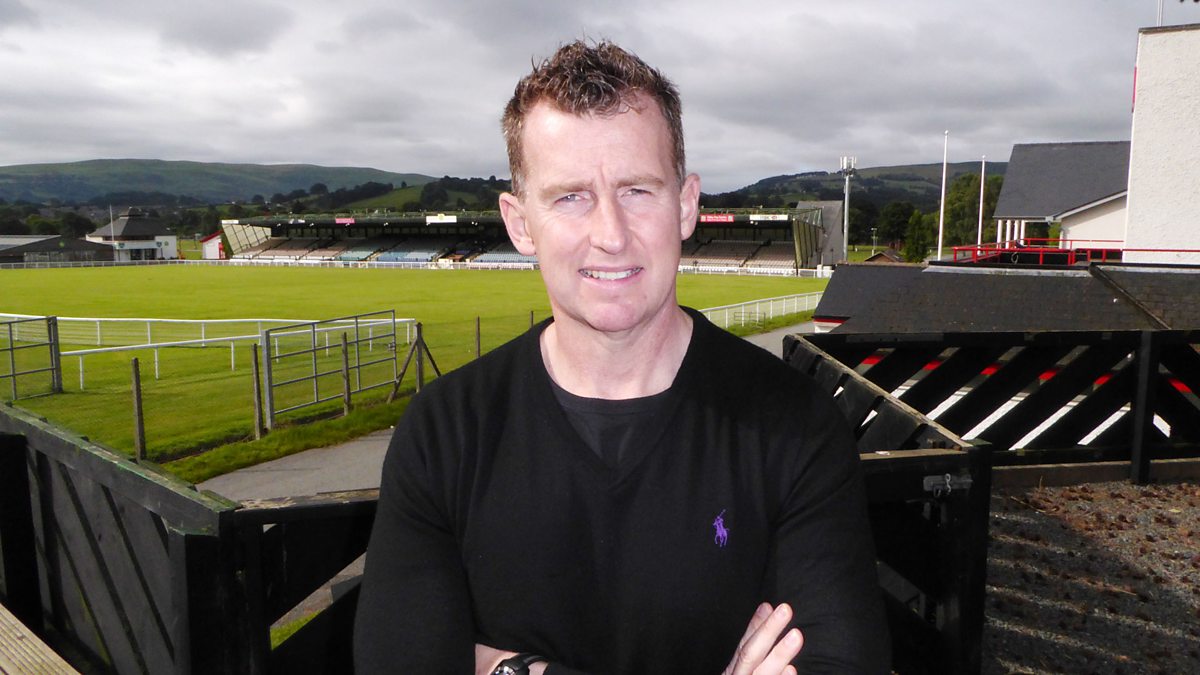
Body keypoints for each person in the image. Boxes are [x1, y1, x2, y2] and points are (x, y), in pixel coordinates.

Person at [354, 40, 888, 674]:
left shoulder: (795, 424)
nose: (610, 235)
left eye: (637, 190)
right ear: (520, 223)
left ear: (686, 205)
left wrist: (507, 668)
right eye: (570, 196)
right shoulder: (444, 430)